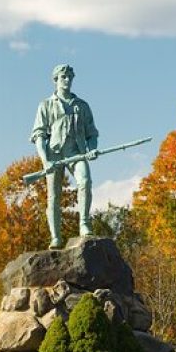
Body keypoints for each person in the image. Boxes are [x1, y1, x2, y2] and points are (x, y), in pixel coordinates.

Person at [31, 64, 99, 248]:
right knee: (54, 196)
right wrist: (45, 160)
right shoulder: (45, 105)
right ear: (56, 80)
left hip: (76, 152)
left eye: (70, 77)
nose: (67, 80)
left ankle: (84, 223)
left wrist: (92, 148)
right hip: (54, 155)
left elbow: (92, 134)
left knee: (85, 181)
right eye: (64, 77)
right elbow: (39, 136)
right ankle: (55, 237)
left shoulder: (82, 106)